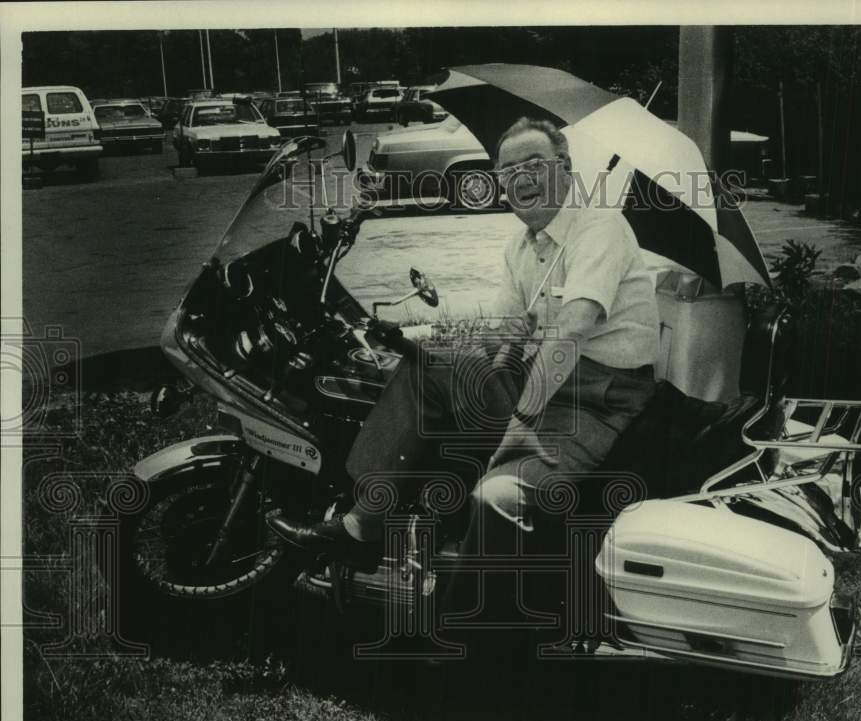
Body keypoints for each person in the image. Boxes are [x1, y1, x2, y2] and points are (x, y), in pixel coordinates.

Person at [269, 117, 660, 609]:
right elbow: (501, 329)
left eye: (534, 164)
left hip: (598, 399)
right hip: (542, 381)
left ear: (564, 168)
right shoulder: (521, 247)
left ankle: (468, 620)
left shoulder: (598, 227)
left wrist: (523, 417)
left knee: (497, 497)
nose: (521, 178)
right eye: (508, 170)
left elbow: (573, 327)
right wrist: (432, 336)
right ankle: (364, 522)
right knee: (427, 364)